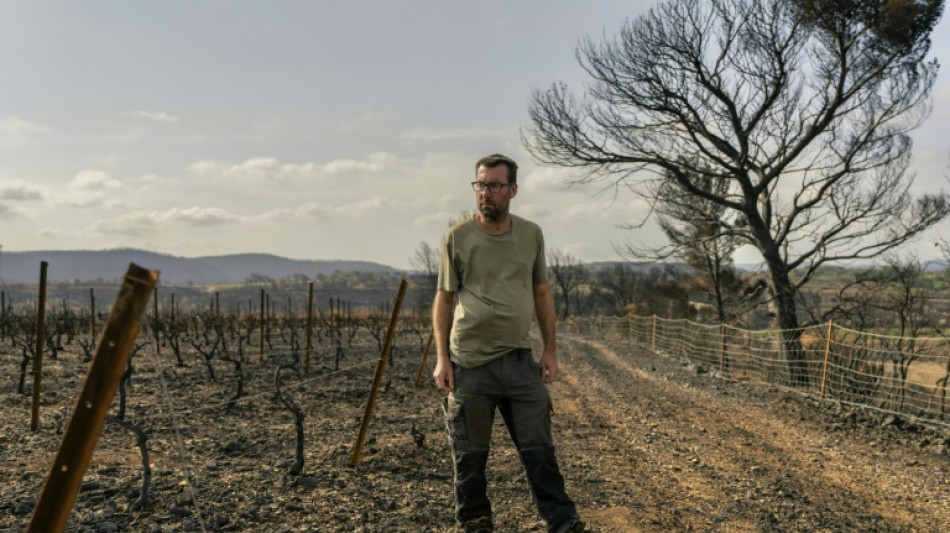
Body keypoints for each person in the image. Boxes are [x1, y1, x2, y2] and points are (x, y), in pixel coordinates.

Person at [432, 154, 587, 533]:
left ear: (512, 190)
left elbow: (542, 292)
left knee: (539, 448)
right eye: (480, 185)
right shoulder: (458, 237)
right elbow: (445, 297)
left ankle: (562, 521)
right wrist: (442, 359)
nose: (486, 193)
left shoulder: (531, 234)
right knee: (469, 454)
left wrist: (550, 351)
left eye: (495, 185)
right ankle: (475, 521)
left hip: (519, 361)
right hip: (470, 362)